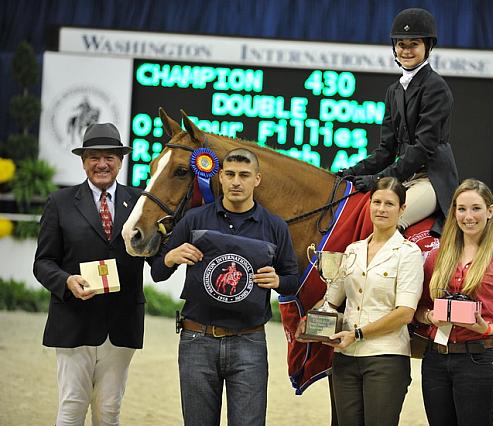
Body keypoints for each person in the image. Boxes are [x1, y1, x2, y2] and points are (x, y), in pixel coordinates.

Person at [150, 148, 299, 426]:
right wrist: (170, 257)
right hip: (197, 340)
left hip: (249, 342)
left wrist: (279, 281)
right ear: (220, 177)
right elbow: (158, 272)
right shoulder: (194, 220)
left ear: (257, 179)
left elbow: (293, 278)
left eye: (244, 175)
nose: (235, 182)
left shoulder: (275, 226)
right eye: (229, 174)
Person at [33, 123, 145, 425]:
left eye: (109, 157)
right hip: (74, 319)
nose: (102, 164)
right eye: (94, 157)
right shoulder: (60, 202)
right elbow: (43, 262)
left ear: (121, 161)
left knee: (109, 411)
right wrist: (66, 281)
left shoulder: (139, 203)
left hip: (121, 322)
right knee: (72, 406)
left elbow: (155, 253)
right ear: (83, 161)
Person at [297, 176, 424, 425]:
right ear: (369, 205)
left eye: (389, 204)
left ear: (402, 209)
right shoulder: (353, 250)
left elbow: (405, 313)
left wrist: (357, 334)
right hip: (346, 358)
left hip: (385, 359)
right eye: (377, 202)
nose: (381, 209)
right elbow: (331, 300)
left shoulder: (409, 254)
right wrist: (310, 320)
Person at [415, 179, 493, 426]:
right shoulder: (437, 258)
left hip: (479, 362)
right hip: (436, 361)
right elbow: (418, 308)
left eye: (476, 208)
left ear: (490, 211)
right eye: (461, 209)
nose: (468, 216)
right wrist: (429, 318)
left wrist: (488, 329)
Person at [339, 7, 459, 236]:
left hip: (430, 180)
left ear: (428, 47)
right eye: (401, 44)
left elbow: (422, 148)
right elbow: (386, 150)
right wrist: (351, 172)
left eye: (413, 44)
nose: (406, 50)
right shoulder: (394, 91)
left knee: (389, 218)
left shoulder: (436, 88)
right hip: (402, 179)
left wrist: (379, 178)